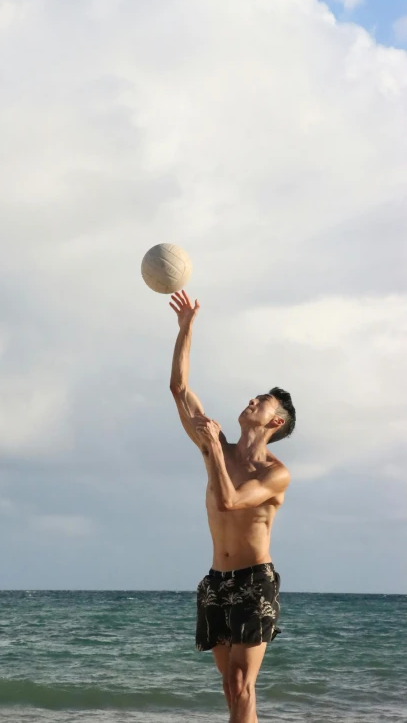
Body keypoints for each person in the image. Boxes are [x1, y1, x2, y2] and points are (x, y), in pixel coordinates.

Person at [169, 290, 296, 723]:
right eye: (253, 397)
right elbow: (179, 389)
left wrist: (212, 452)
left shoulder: (274, 474)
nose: (252, 401)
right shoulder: (216, 446)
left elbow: (228, 501)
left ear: (275, 423)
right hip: (215, 582)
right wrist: (186, 330)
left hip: (254, 582)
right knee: (232, 688)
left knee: (241, 684)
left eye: (263, 402)